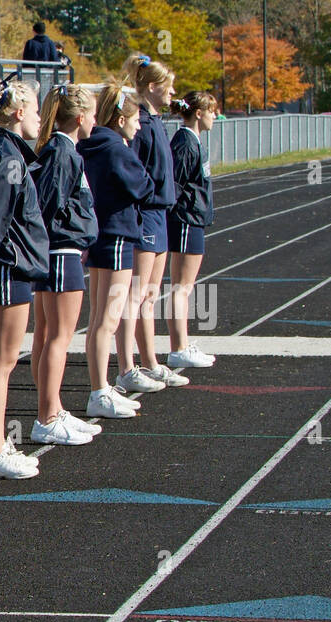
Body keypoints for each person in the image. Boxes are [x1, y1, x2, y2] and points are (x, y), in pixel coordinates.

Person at [0, 75, 48, 480]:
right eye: (34, 109)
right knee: (1, 363)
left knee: (3, 362)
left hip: (9, 267)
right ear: (18, 113)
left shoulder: (5, 151)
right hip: (6, 269)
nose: (39, 118)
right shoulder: (7, 156)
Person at [29, 83, 102, 446]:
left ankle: (53, 408)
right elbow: (48, 205)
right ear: (79, 117)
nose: (95, 121)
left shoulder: (63, 150)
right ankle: (46, 416)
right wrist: (77, 227)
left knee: (48, 334)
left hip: (60, 253)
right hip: (61, 254)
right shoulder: (62, 152)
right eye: (91, 114)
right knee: (58, 337)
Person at [77, 83, 153, 419]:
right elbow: (144, 186)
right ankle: (99, 390)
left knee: (98, 320)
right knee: (106, 320)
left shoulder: (91, 145)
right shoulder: (116, 150)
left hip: (101, 236)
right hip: (117, 236)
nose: (139, 126)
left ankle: (101, 387)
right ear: (121, 118)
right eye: (135, 119)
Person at [118, 53, 187, 394]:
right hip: (146, 214)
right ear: (153, 87)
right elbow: (135, 170)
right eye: (169, 87)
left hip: (160, 214)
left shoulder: (157, 120)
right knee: (135, 294)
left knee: (149, 295)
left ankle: (150, 361)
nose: (174, 93)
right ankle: (127, 367)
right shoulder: (140, 122)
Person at [166, 92, 218, 369]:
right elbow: (174, 183)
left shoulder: (192, 141)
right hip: (186, 219)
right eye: (212, 111)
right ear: (199, 113)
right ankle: (178, 347)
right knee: (181, 288)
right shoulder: (185, 142)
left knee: (185, 287)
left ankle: (182, 344)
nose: (215, 116)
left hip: (193, 218)